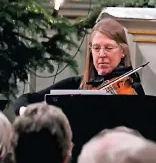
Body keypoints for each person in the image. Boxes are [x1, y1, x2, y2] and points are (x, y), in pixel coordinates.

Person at [14, 18, 145, 115]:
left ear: (122, 51)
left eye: (109, 48)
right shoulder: (76, 85)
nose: (102, 54)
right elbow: (26, 99)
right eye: (96, 48)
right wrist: (24, 111)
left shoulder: (132, 88)